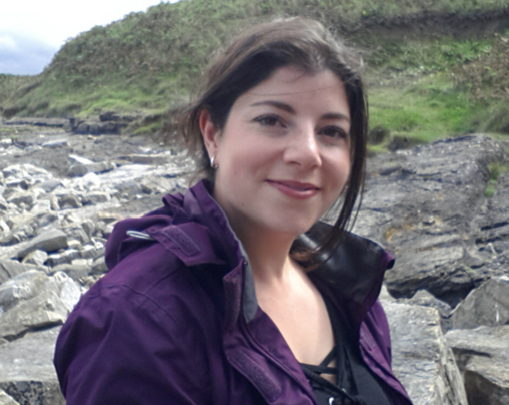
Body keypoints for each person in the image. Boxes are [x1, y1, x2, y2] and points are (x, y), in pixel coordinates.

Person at [54, 17, 412, 405]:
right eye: (272, 120)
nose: (308, 153)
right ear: (212, 133)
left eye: (331, 132)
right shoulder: (136, 321)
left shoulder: (349, 285)